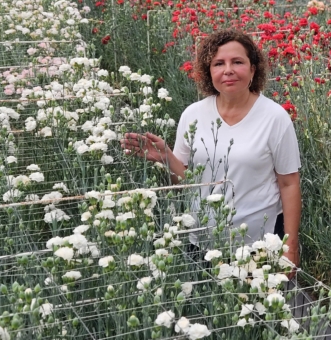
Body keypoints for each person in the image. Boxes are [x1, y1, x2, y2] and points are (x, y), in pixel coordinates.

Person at [120, 29, 301, 268]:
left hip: (258, 244)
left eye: (238, 62)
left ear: (253, 69)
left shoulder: (275, 118)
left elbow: (289, 184)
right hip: (203, 240)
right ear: (209, 72)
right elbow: (187, 182)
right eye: (218, 63)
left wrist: (290, 248)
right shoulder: (193, 114)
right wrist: (165, 157)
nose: (228, 70)